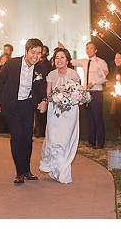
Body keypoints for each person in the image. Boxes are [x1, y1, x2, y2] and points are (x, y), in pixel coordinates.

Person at [0, 38, 48, 184]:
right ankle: (19, 172)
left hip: (28, 105)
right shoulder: (12, 63)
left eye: (39, 53)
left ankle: (27, 170)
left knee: (27, 139)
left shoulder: (40, 69)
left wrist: (44, 100)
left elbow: (41, 89)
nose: (36, 56)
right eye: (33, 52)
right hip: (12, 105)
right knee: (17, 137)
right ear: (26, 51)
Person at [37, 47, 87, 183]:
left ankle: (63, 171)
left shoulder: (74, 75)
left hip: (70, 111)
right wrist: (45, 103)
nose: (59, 60)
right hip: (54, 111)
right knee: (53, 139)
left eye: (62, 57)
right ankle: (54, 167)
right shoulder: (51, 75)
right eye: (57, 57)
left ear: (67, 60)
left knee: (64, 140)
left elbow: (79, 94)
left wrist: (72, 98)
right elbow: (48, 93)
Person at [63, 42, 109, 149]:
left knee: (98, 117)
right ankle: (91, 140)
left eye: (91, 48)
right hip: (86, 93)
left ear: (95, 50)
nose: (89, 50)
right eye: (87, 48)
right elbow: (71, 61)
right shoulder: (84, 61)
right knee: (89, 117)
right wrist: (64, 49)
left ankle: (100, 141)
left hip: (96, 91)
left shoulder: (100, 62)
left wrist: (94, 82)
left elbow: (105, 77)